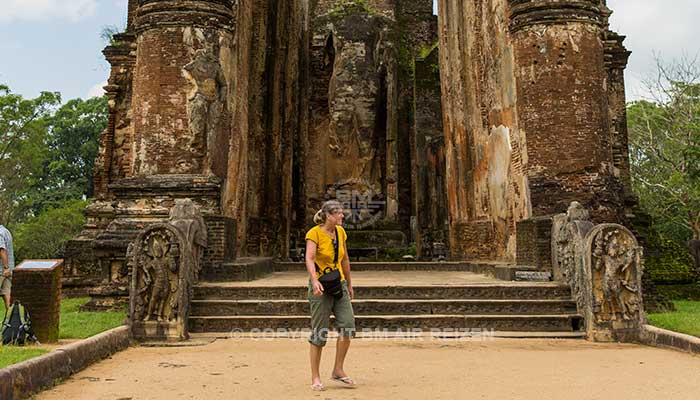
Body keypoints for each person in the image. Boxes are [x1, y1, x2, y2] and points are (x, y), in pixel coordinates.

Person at [305, 200, 356, 391]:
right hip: (320, 286)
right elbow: (309, 258)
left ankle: (338, 369)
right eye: (338, 213)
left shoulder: (341, 232)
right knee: (319, 331)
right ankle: (315, 376)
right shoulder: (314, 233)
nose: (342, 216)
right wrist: (314, 280)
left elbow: (344, 259)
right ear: (328, 215)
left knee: (348, 326)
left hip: (339, 283)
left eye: (342, 213)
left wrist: (349, 285)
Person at [0, 222, 14, 310]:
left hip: (2, 271)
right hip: (8, 271)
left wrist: (6, 267)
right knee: (7, 294)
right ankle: (11, 321)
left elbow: (1, 250)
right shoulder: (6, 231)